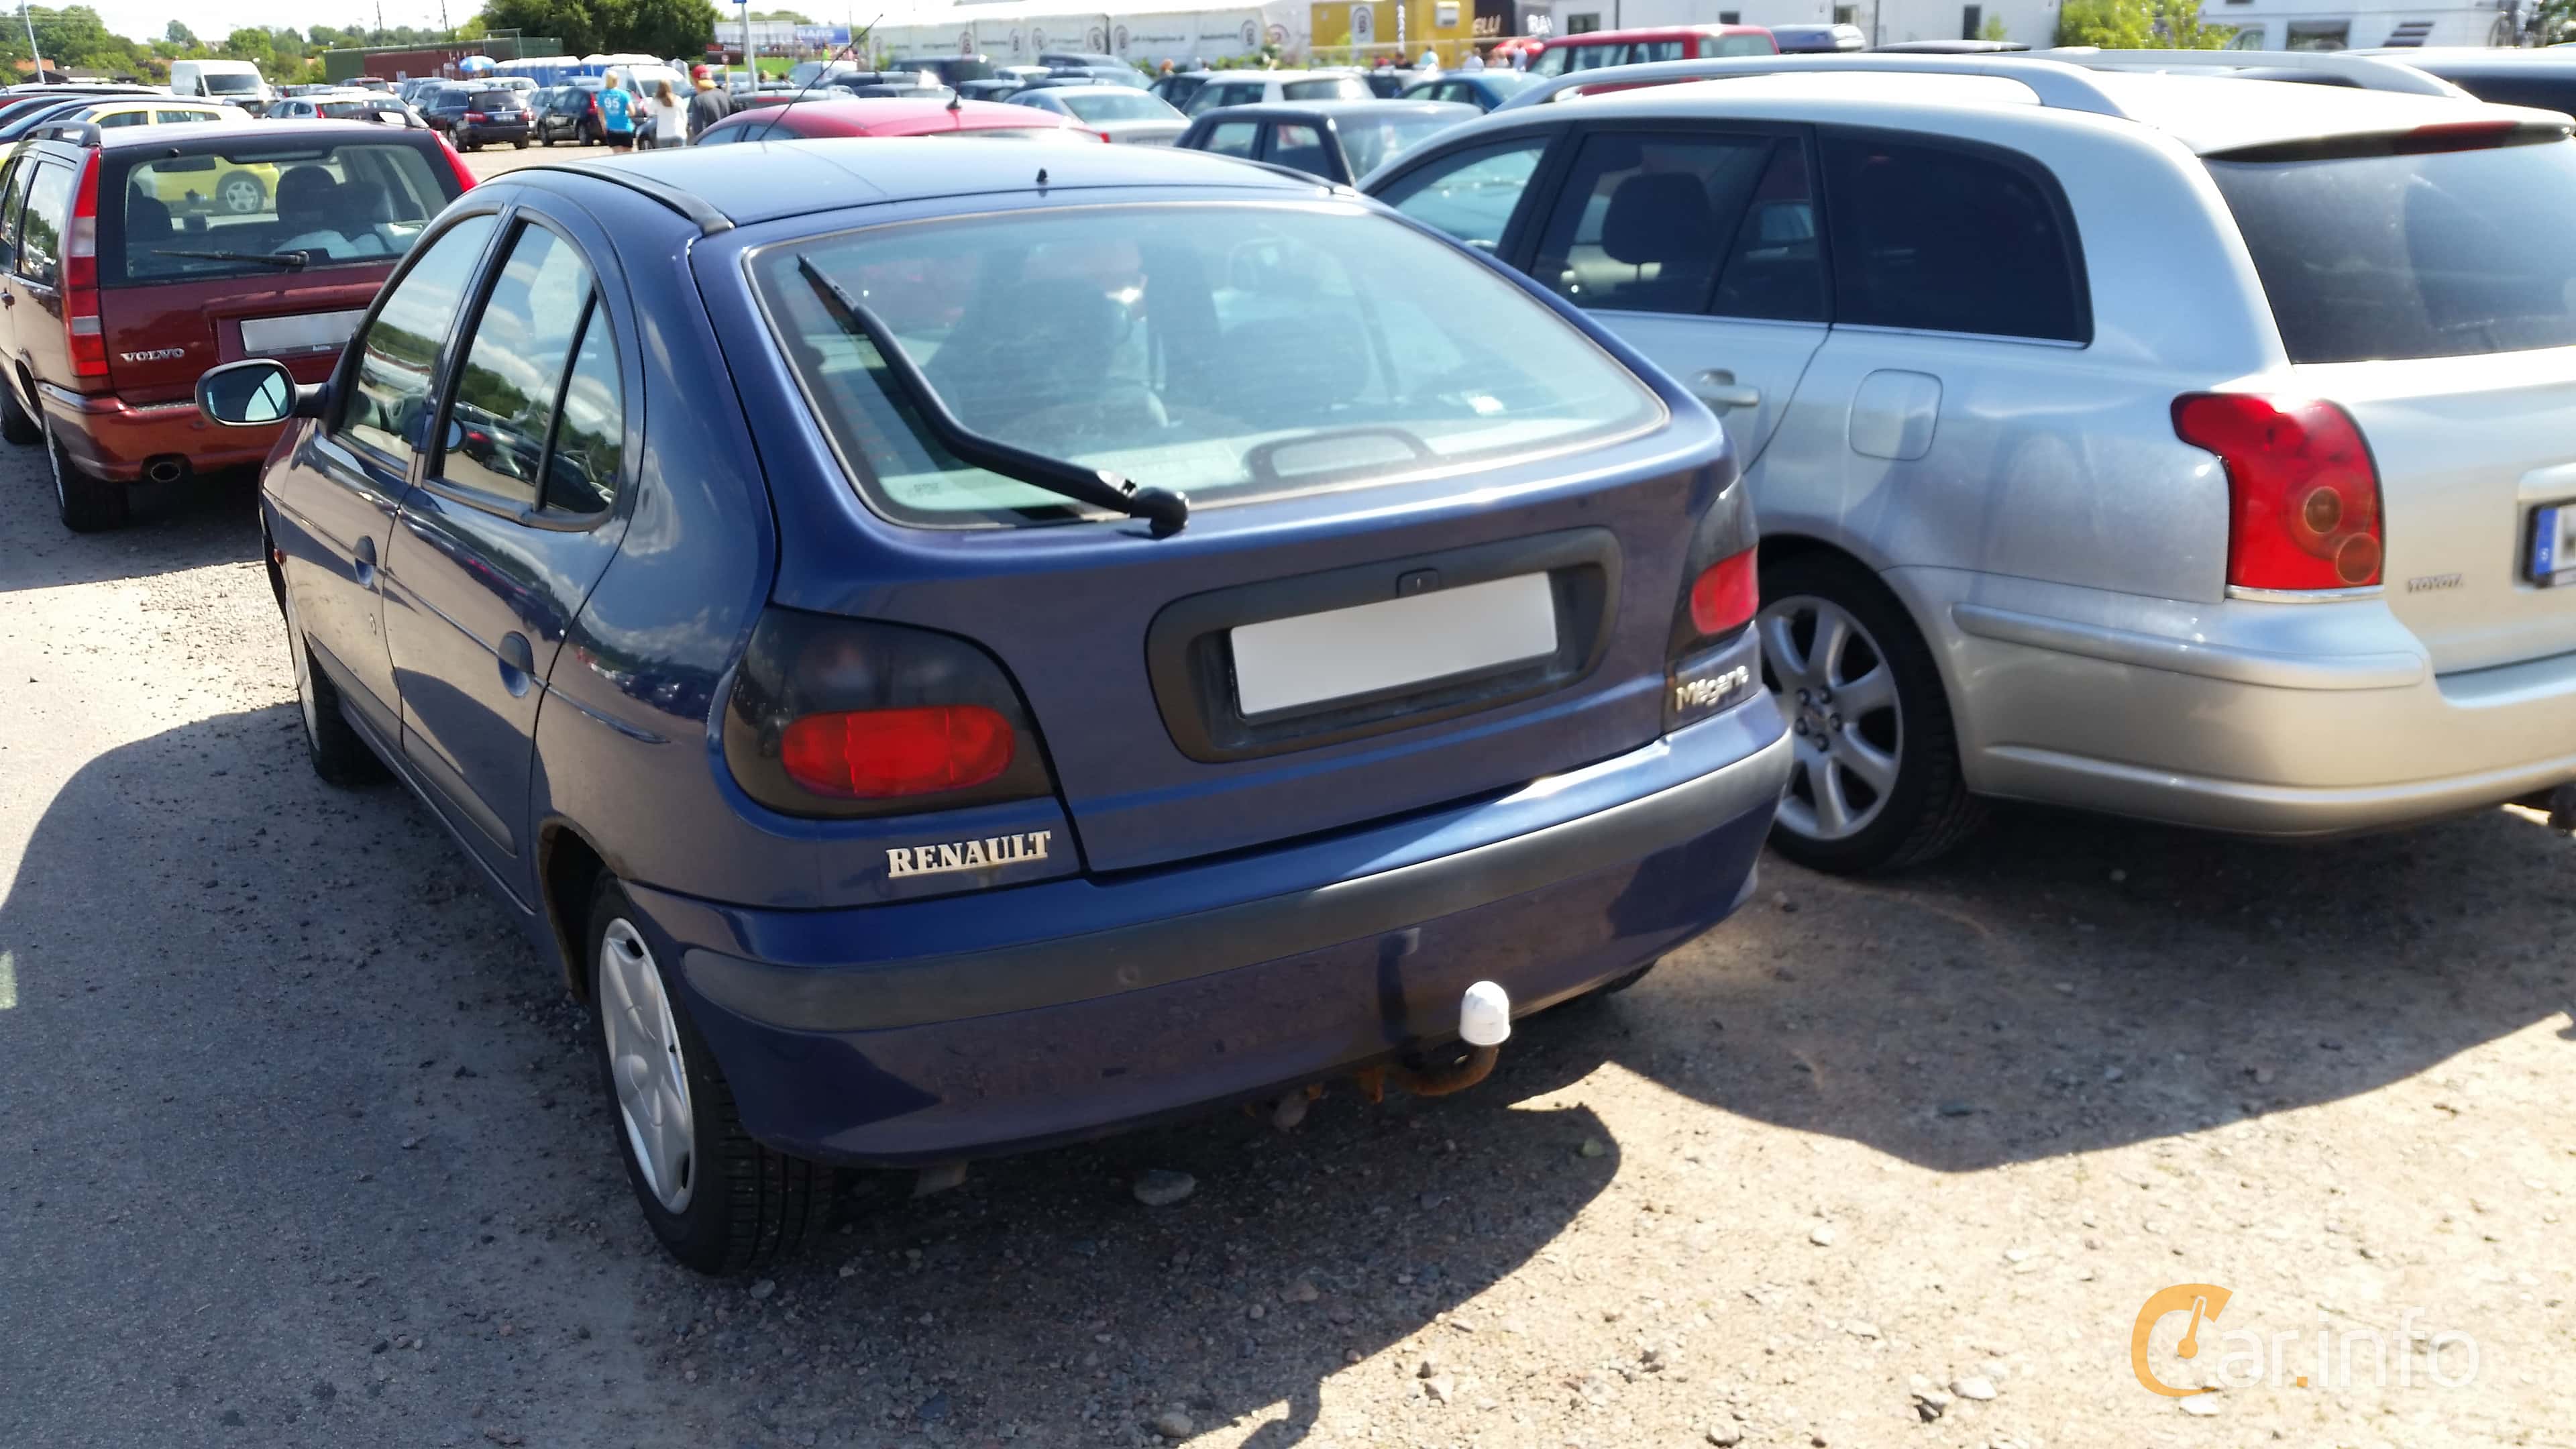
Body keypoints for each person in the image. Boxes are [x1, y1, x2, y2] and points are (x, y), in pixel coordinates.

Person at [687, 68, 734, 140]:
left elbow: (699, 130)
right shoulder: (726, 96)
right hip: (729, 139)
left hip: (710, 142)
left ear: (695, 82)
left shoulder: (699, 100)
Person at [647, 78, 690, 148]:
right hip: (678, 132)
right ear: (670, 87)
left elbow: (649, 112)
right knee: (680, 157)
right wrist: (683, 128)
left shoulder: (657, 101)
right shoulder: (678, 99)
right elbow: (684, 116)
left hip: (663, 134)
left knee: (666, 157)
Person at [596, 80, 635, 150]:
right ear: (617, 81)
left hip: (612, 128)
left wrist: (604, 126)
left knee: (617, 154)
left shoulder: (602, 95)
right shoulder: (624, 94)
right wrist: (625, 114)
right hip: (626, 128)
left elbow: (600, 114)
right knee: (628, 155)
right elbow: (632, 112)